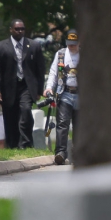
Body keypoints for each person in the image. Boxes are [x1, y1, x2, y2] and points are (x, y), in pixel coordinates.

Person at [0, 19, 46, 148]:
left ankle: (26, 144)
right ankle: (13, 145)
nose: (20, 31)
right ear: (11, 30)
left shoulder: (34, 45)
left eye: (22, 29)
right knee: (10, 117)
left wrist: (39, 90)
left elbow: (40, 69)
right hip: (8, 87)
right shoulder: (0, 47)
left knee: (25, 111)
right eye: (17, 29)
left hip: (26, 86)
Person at [43, 29, 80, 165]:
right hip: (65, 93)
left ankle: (78, 153)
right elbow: (53, 72)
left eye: (74, 44)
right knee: (62, 124)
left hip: (81, 94)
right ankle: (61, 153)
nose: (72, 46)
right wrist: (48, 88)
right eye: (70, 43)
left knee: (79, 126)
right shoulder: (61, 54)